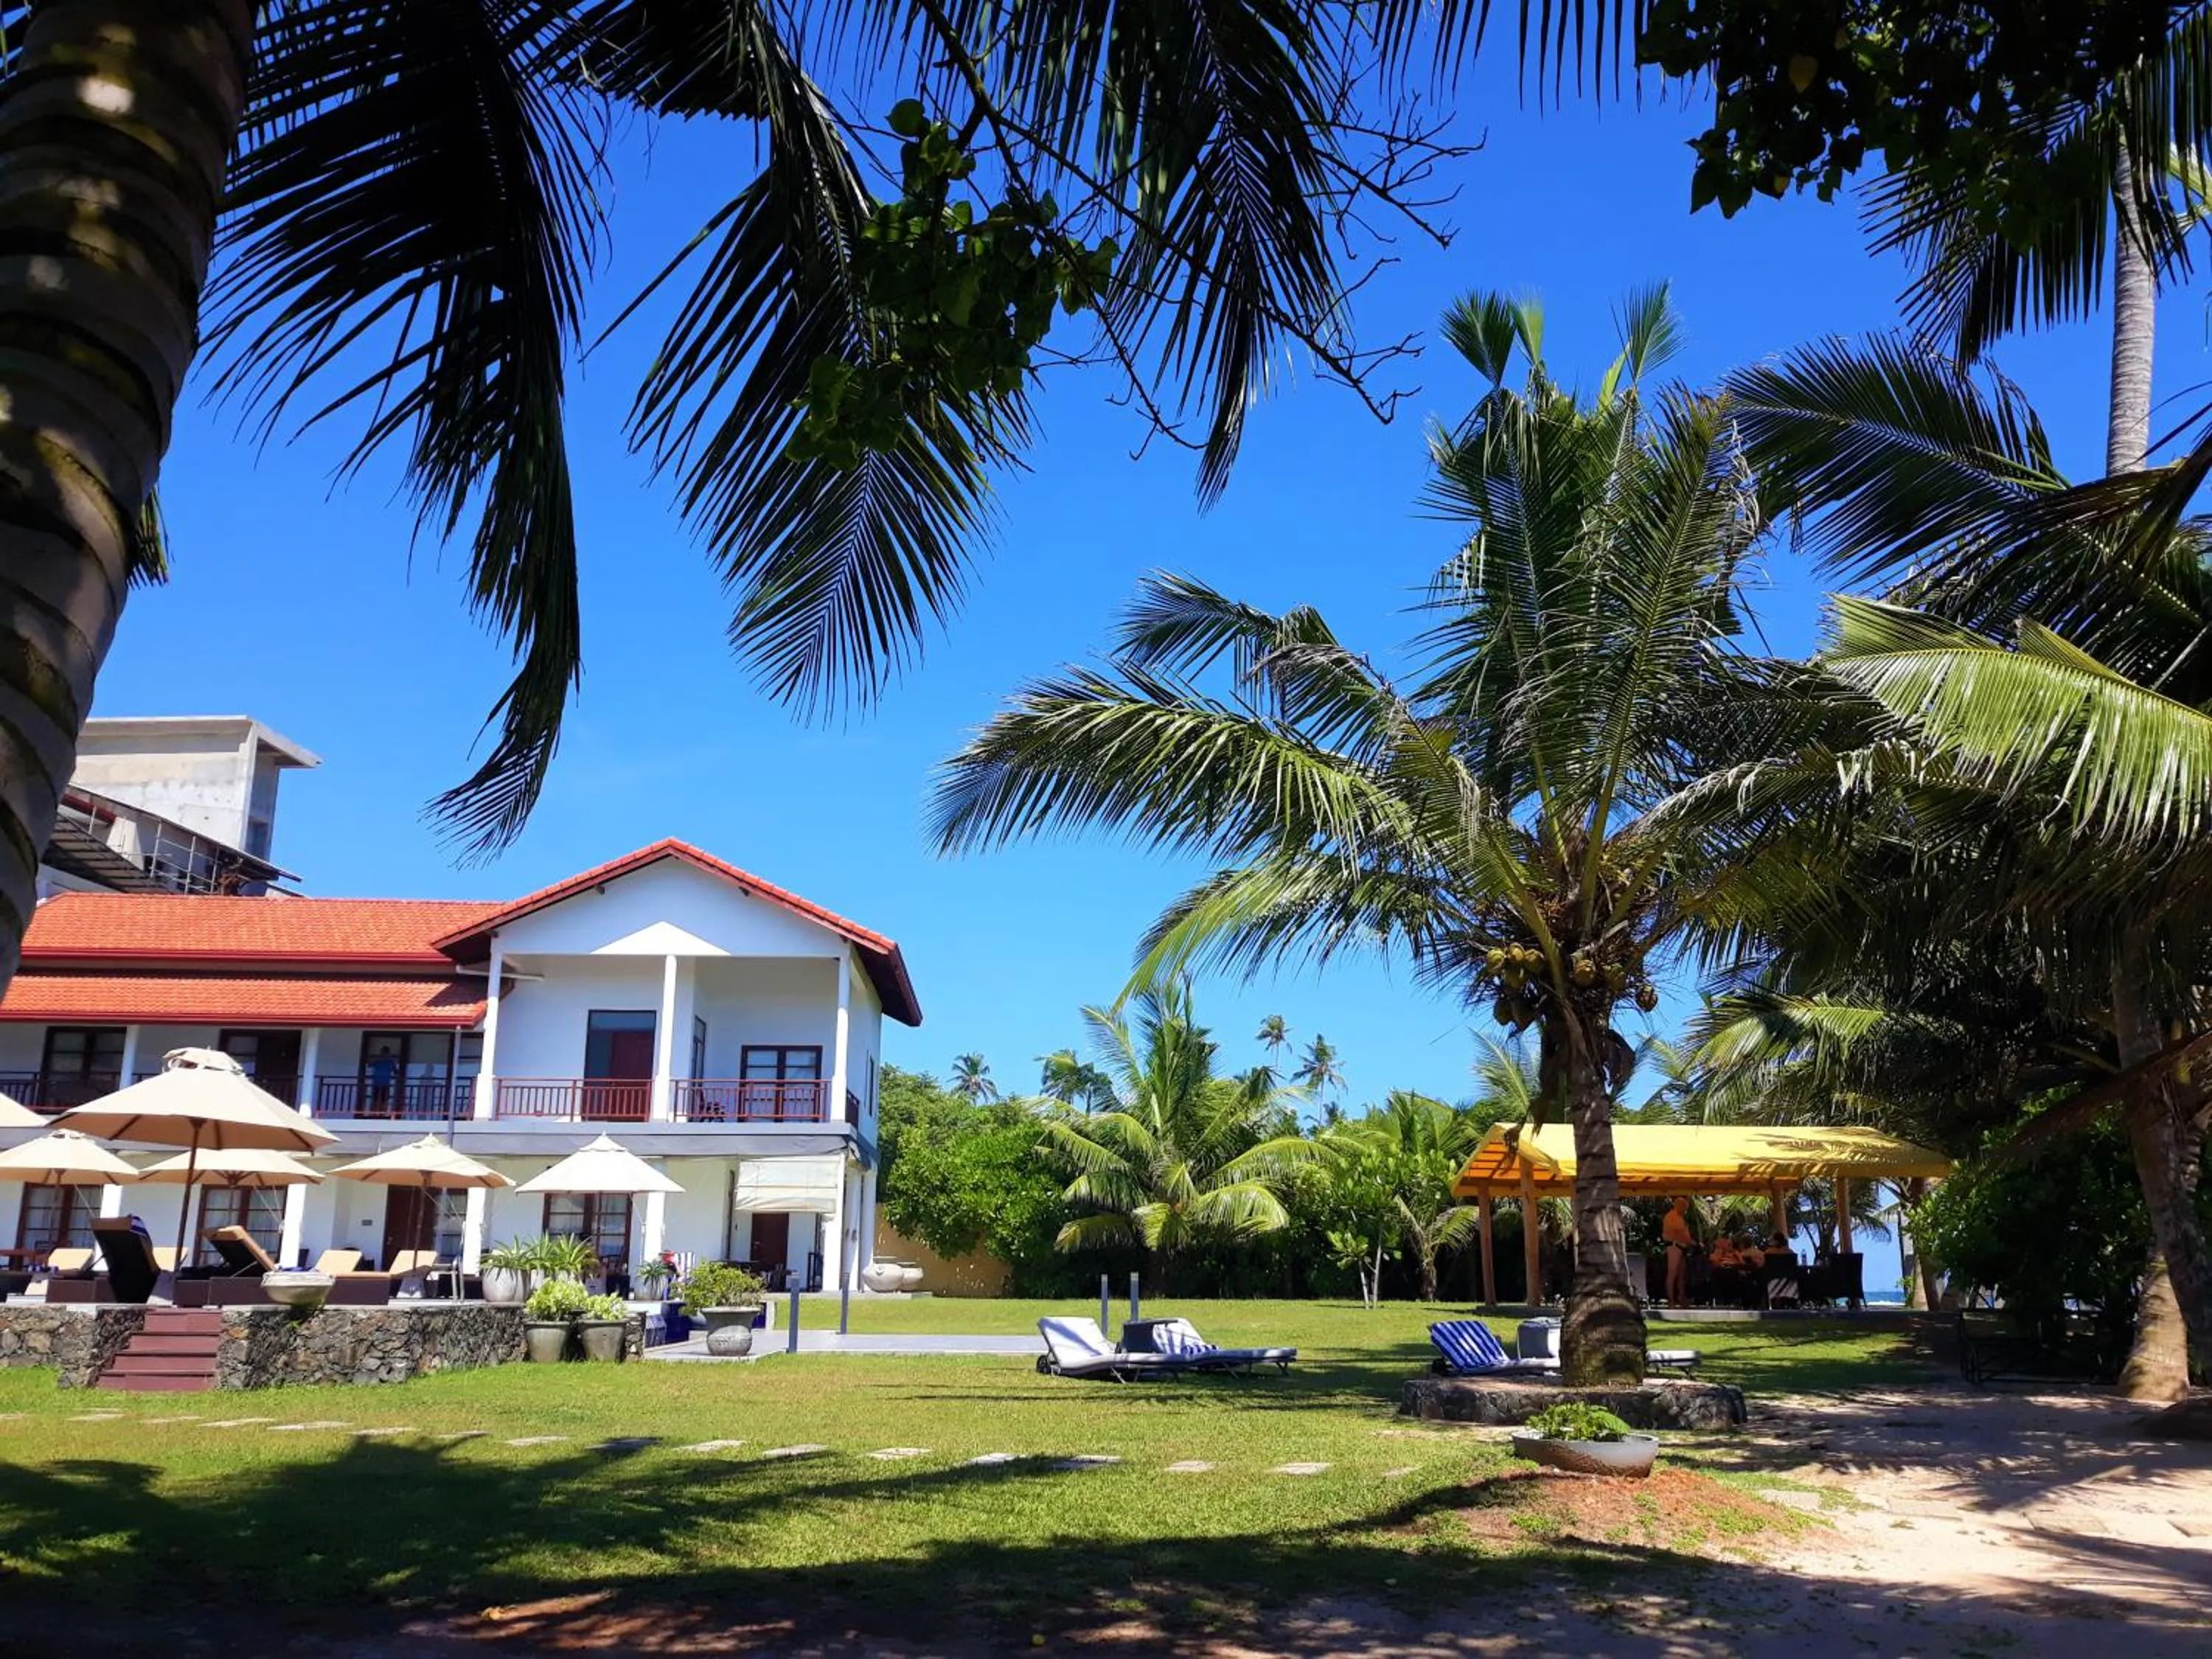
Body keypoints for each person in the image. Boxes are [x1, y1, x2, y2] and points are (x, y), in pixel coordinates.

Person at [1662, 1196, 1695, 1306]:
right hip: (1674, 1246)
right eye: (1684, 1207)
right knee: (1672, 1272)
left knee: (1681, 1274)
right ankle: (1671, 1300)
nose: (1685, 1210)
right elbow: (1680, 1233)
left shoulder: (1680, 1218)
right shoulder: (1672, 1216)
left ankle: (1681, 1298)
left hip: (1682, 1247)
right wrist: (1692, 1242)